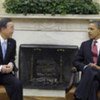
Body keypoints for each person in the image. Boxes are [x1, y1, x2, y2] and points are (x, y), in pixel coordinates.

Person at [73, 20, 100, 100]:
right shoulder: (85, 44)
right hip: (91, 78)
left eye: (91, 29)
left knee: (90, 70)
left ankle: (78, 96)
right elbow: (76, 61)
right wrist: (85, 67)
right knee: (94, 84)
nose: (88, 31)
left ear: (99, 30)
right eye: (88, 29)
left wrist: (98, 68)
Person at [0, 18, 23, 100]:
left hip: (5, 75)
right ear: (3, 29)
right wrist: (1, 68)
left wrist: (11, 65)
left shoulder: (12, 42)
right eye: (11, 28)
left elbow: (12, 58)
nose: (13, 30)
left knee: (17, 84)